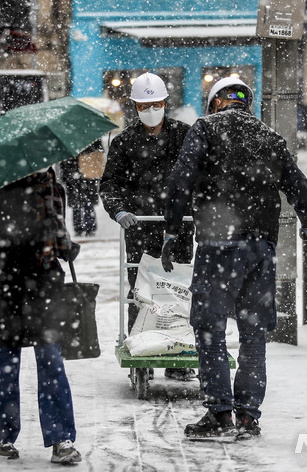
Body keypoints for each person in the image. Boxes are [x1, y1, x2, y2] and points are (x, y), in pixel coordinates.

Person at [161, 77, 307, 440]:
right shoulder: (270, 137)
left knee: (210, 330)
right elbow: (300, 187)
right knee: (253, 335)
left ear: (216, 103)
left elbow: (180, 181)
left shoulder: (204, 129)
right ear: (248, 104)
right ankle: (248, 415)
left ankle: (219, 414)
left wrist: (172, 229)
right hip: (261, 249)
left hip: (219, 246)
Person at [0, 167, 83, 465]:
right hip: (40, 284)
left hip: (2, 285)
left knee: (6, 362)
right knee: (50, 361)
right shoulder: (47, 186)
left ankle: (0, 437)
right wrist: (69, 249)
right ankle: (61, 439)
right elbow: (59, 242)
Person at [99, 71, 195, 381]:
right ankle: (141, 351)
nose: (150, 110)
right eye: (143, 105)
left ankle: (176, 353)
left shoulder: (185, 135)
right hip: (140, 229)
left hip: (177, 228)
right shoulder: (125, 140)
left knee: (177, 291)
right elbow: (109, 184)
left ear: (166, 102)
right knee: (141, 292)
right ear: (135, 107)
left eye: (155, 104)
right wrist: (119, 211)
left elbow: (200, 177)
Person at [60, 140, 104, 237]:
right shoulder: (90, 139)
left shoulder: (69, 142)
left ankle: (83, 227)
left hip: (81, 175)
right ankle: (86, 227)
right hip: (82, 175)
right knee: (84, 203)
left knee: (82, 204)